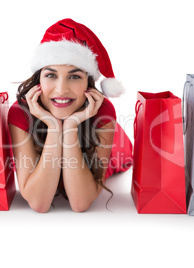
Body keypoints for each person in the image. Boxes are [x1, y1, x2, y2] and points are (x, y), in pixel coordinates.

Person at [8, 18, 132, 213]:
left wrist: (71, 126)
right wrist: (54, 126)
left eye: (74, 76)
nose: (61, 89)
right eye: (51, 75)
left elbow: (80, 203)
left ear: (88, 84)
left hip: (116, 149)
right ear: (38, 79)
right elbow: (39, 203)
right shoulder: (20, 112)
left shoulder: (102, 111)